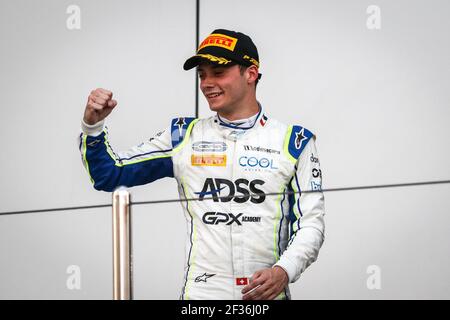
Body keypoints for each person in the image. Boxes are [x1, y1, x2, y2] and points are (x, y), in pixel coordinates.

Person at [79, 29, 325, 300]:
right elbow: (110, 175)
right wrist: (93, 126)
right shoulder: (183, 136)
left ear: (251, 74)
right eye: (202, 74)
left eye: (218, 72)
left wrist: (284, 271)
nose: (207, 82)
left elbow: (311, 225)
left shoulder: (294, 142)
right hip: (202, 296)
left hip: (264, 296)